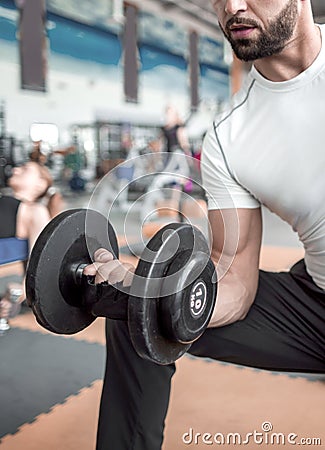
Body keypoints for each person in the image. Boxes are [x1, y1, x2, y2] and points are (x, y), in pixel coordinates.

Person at [84, 1, 325, 448]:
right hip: (316, 309)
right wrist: (161, 295)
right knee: (141, 306)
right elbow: (234, 279)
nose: (233, 6)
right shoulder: (229, 136)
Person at [0, 161, 64, 329]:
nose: (15, 169)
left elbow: (39, 258)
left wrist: (19, 293)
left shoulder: (34, 210)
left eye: (25, 169)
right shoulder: (5, 199)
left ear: (40, 184)